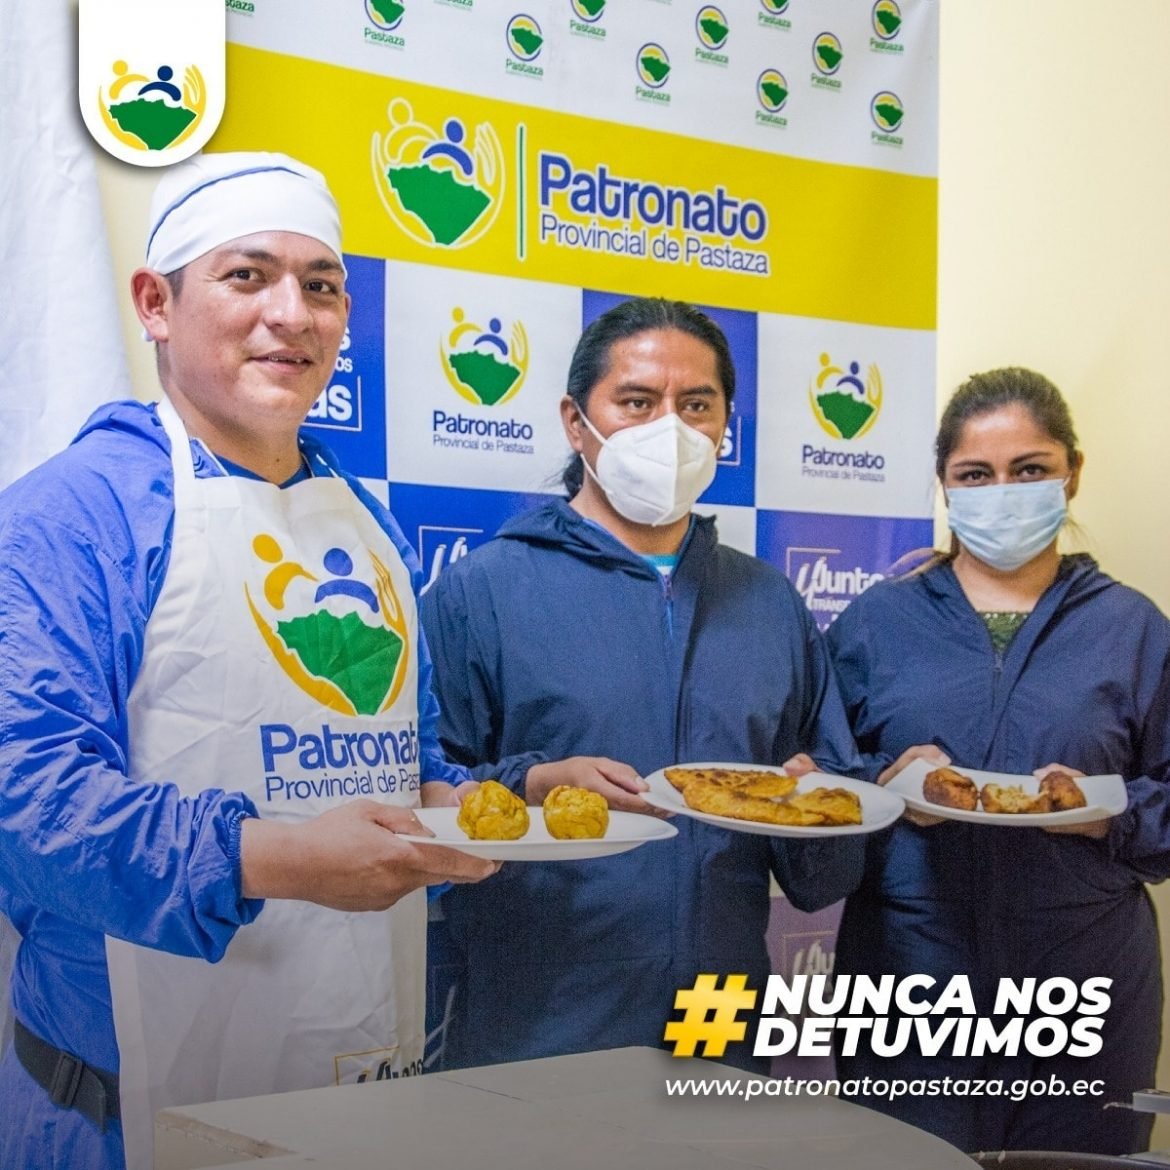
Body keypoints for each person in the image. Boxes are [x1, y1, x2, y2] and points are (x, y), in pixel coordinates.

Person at [0, 151, 510, 1170]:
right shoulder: (74, 517)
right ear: (155, 303)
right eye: (247, 275)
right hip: (121, 1113)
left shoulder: (368, 527)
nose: (292, 314)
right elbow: (30, 805)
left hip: (354, 1079)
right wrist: (278, 860)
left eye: (321, 286)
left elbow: (401, 763)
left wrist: (488, 805)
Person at [421, 297, 865, 1072]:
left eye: (696, 405)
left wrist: (822, 805)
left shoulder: (770, 604)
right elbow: (424, 800)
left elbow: (822, 866)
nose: (670, 429)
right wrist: (532, 784)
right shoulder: (481, 592)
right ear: (575, 421)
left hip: (721, 1013)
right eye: (636, 402)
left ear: (725, 426)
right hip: (540, 1020)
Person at [825, 367, 1170, 1155]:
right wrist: (884, 783)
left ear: (1072, 473)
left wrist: (1108, 812)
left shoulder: (1133, 629)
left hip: (1084, 987)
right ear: (946, 484)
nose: (1002, 493)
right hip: (907, 975)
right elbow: (815, 780)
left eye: (1029, 469)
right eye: (976, 474)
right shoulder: (877, 622)